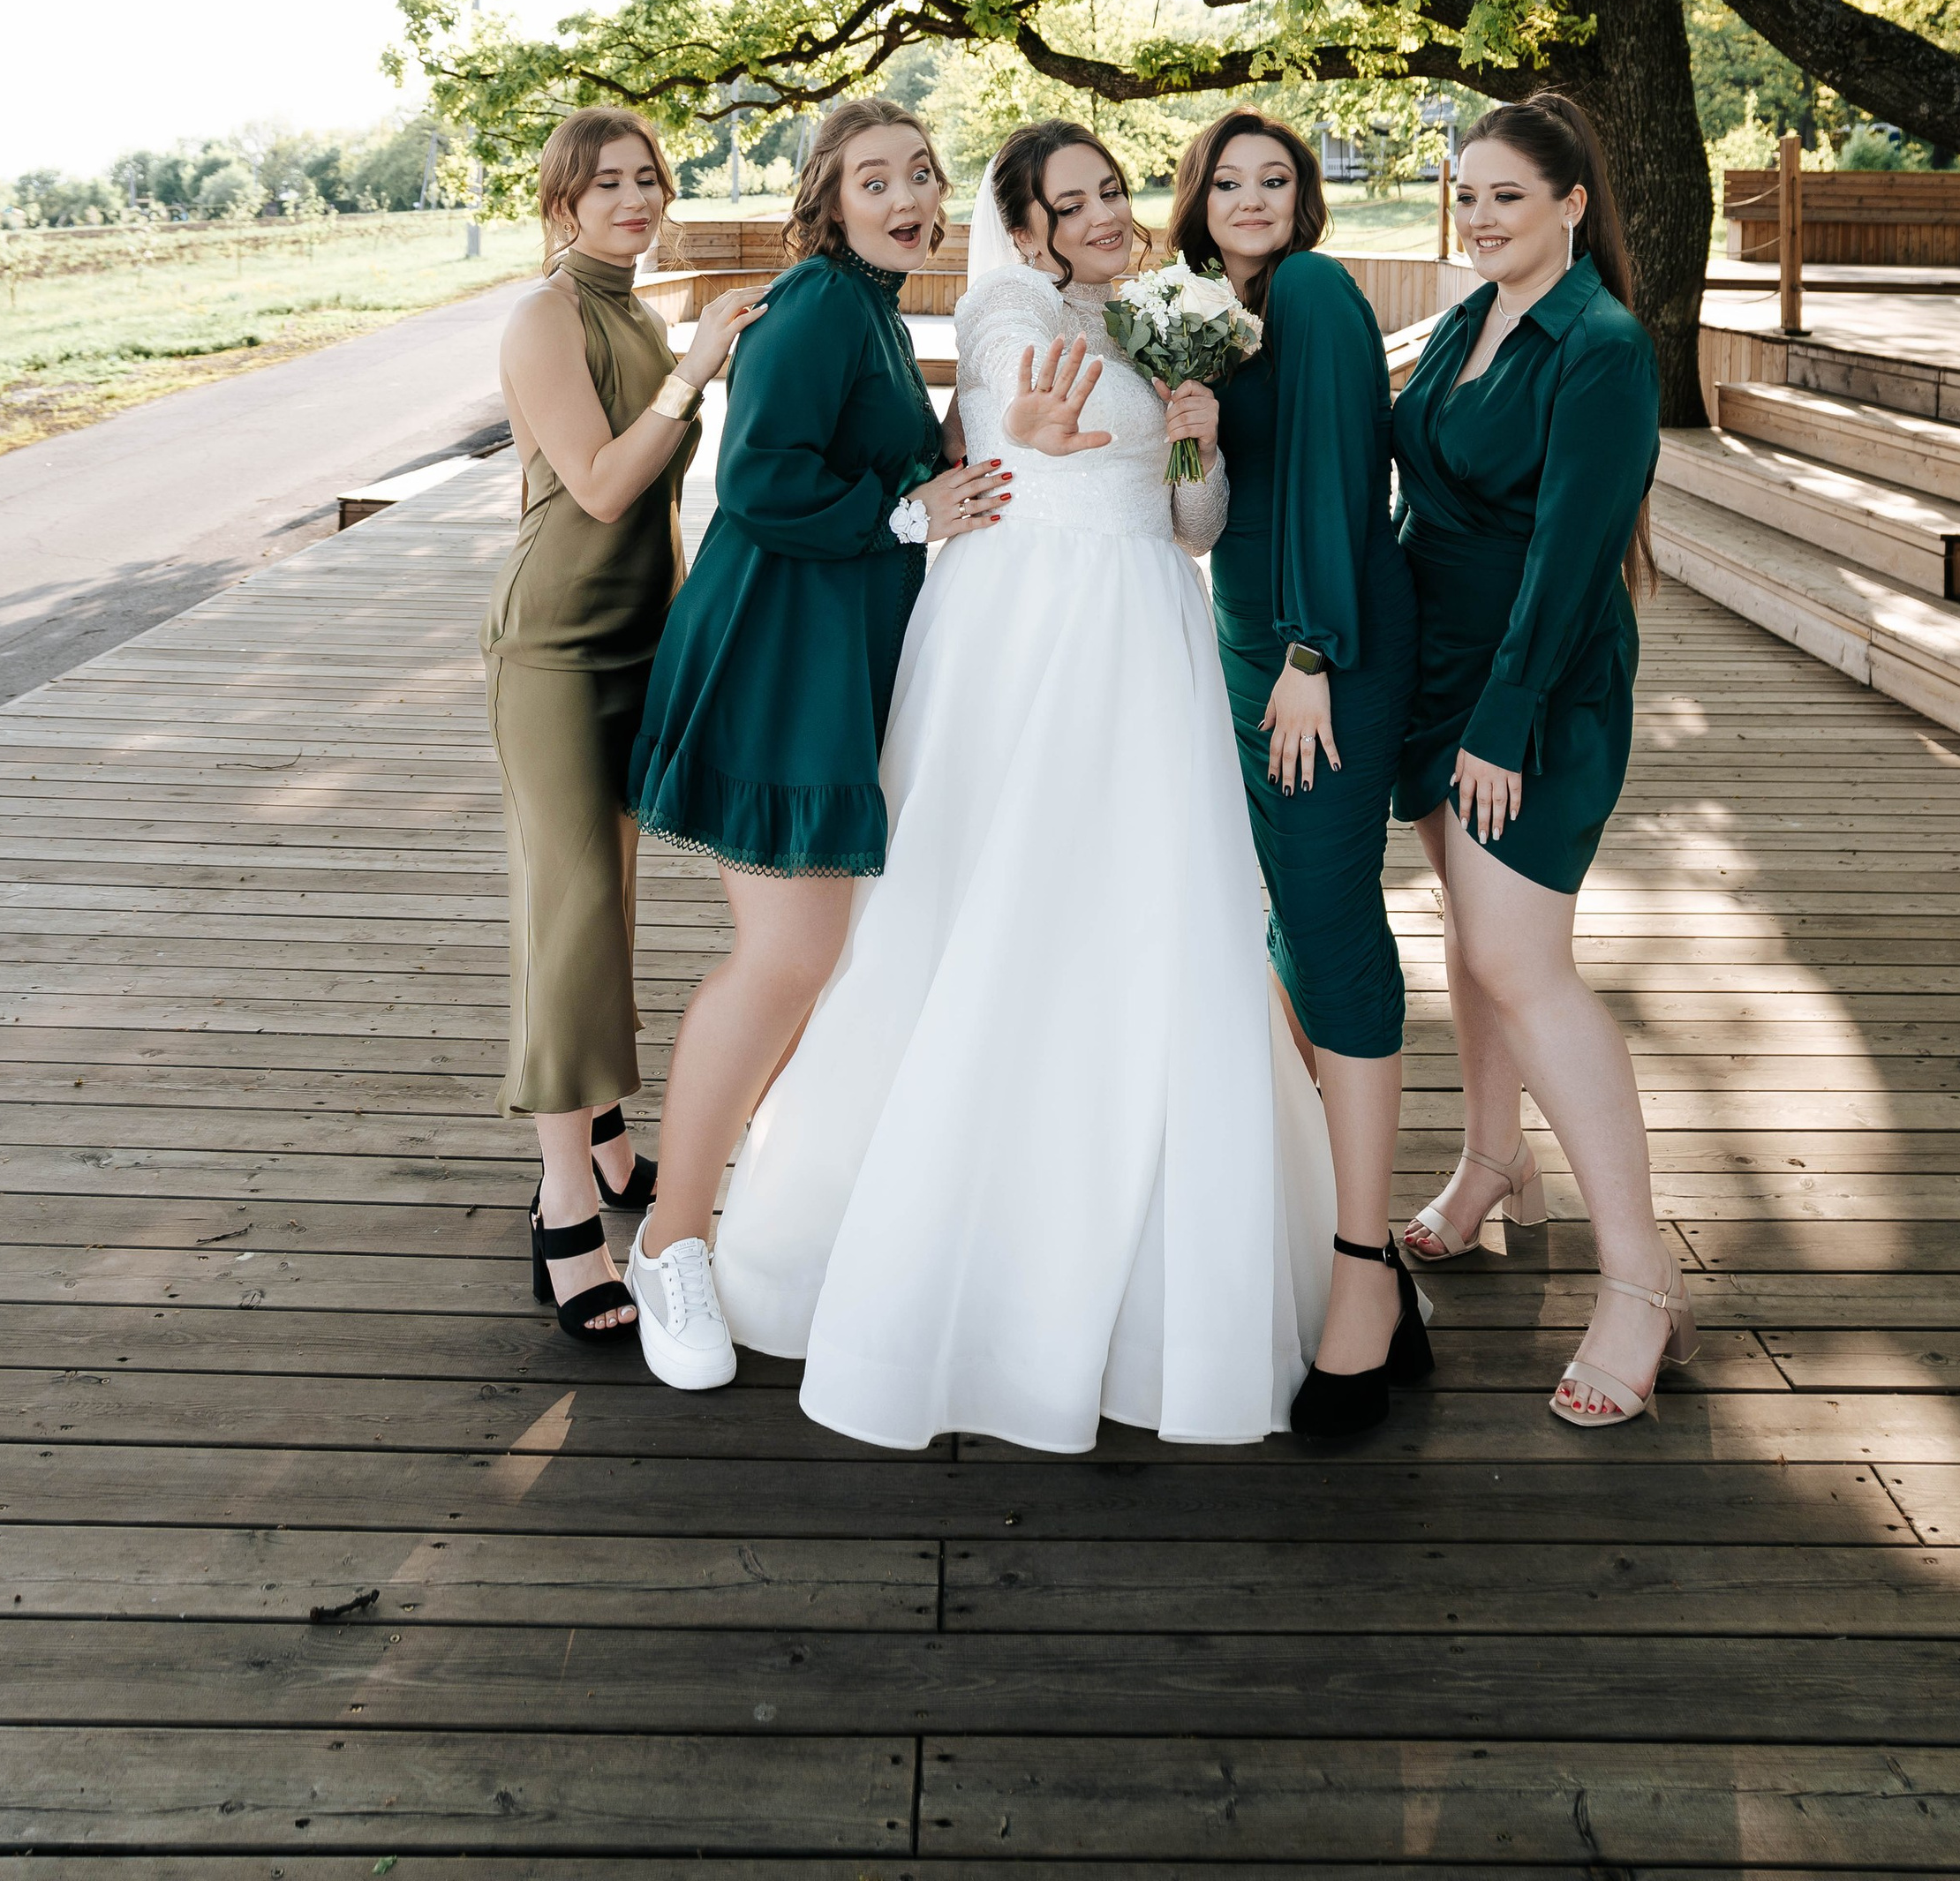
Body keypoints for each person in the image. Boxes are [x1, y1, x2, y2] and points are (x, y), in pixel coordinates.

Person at [711, 120, 1334, 1448]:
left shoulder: (1167, 319)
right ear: (1027, 229)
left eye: (1113, 190)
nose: (1105, 214)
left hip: (1147, 632)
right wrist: (1035, 432)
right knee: (984, 911)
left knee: (1145, 922)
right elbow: (1008, 393)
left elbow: (1194, 527)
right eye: (1072, 202)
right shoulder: (1007, 311)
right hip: (1028, 631)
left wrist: (1200, 441)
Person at [622, 98, 1009, 1390]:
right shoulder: (819, 304)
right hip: (775, 654)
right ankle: (669, 1242)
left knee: (817, 957)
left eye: (922, 175)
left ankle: (742, 1207)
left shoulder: (878, 311)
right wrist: (911, 511)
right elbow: (761, 478)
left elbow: (867, 446)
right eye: (874, 179)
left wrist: (940, 453)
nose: (908, 196)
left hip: (831, 657)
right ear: (828, 201)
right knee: (786, 958)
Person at [1389, 90, 1686, 1430]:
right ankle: (1492, 1161)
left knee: (1522, 961)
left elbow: (1574, 552)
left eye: (1507, 196)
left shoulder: (1602, 345)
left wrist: (1504, 717)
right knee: (1469, 936)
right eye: (1467, 195)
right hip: (1438, 665)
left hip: (1536, 681)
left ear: (1572, 203)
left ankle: (1640, 1281)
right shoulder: (1471, 319)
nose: (1481, 216)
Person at [1167, 106, 1428, 1440]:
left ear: (1305, 199)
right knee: (1284, 919)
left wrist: (1314, 649)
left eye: (1277, 179)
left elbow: (1338, 474)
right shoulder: (1216, 317)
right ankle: (1330, 1221)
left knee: (1328, 921)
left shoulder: (1316, 293)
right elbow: (1200, 513)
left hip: (1323, 646)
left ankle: (1364, 1265)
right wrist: (1193, 434)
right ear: (1198, 201)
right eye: (1230, 181)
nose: (1255, 198)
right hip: (1245, 636)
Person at [483, 107, 763, 1343]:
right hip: (553, 648)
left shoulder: (638, 313)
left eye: (648, 178)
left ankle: (602, 1132)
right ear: (562, 201)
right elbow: (599, 488)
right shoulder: (544, 317)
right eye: (607, 184)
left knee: (615, 902)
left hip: (643, 635)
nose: (636, 199)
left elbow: (663, 500)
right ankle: (564, 1206)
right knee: (573, 915)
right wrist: (695, 371)